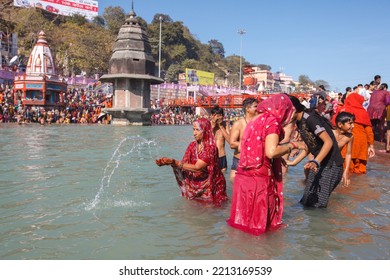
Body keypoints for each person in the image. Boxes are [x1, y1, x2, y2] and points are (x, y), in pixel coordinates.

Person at [226, 94, 305, 235]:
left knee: (242, 223)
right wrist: (294, 145)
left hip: (243, 176)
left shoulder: (255, 120)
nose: (290, 114)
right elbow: (271, 152)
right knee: (260, 227)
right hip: (259, 178)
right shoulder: (272, 122)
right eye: (288, 110)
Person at [155, 118, 227, 206]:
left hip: (211, 184)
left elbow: (198, 167)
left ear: (205, 131)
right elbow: (184, 164)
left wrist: (175, 162)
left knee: (210, 211)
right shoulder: (192, 146)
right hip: (196, 184)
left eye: (197, 130)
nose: (194, 133)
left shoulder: (211, 148)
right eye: (193, 129)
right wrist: (170, 162)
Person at [288, 95, 343, 208]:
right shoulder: (299, 121)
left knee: (317, 206)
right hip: (319, 163)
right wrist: (293, 162)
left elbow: (328, 142)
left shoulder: (310, 118)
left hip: (330, 165)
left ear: (293, 109)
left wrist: (316, 161)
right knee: (306, 201)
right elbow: (310, 146)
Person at [342, 92, 375, 173]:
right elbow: (369, 131)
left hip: (347, 143)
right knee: (360, 171)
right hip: (362, 145)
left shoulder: (344, 110)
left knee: (347, 171)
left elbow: (334, 125)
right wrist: (371, 145)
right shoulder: (363, 112)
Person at [229, 97, 258, 181]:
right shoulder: (239, 124)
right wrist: (251, 145)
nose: (258, 109)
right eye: (255, 106)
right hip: (239, 160)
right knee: (234, 184)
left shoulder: (260, 123)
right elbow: (232, 144)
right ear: (247, 108)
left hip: (254, 161)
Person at [210, 105, 230, 172]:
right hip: (211, 157)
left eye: (220, 115)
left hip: (222, 156)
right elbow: (206, 138)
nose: (218, 118)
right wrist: (213, 125)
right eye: (216, 116)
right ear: (212, 116)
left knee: (223, 179)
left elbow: (230, 141)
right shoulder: (208, 124)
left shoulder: (225, 124)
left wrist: (221, 126)